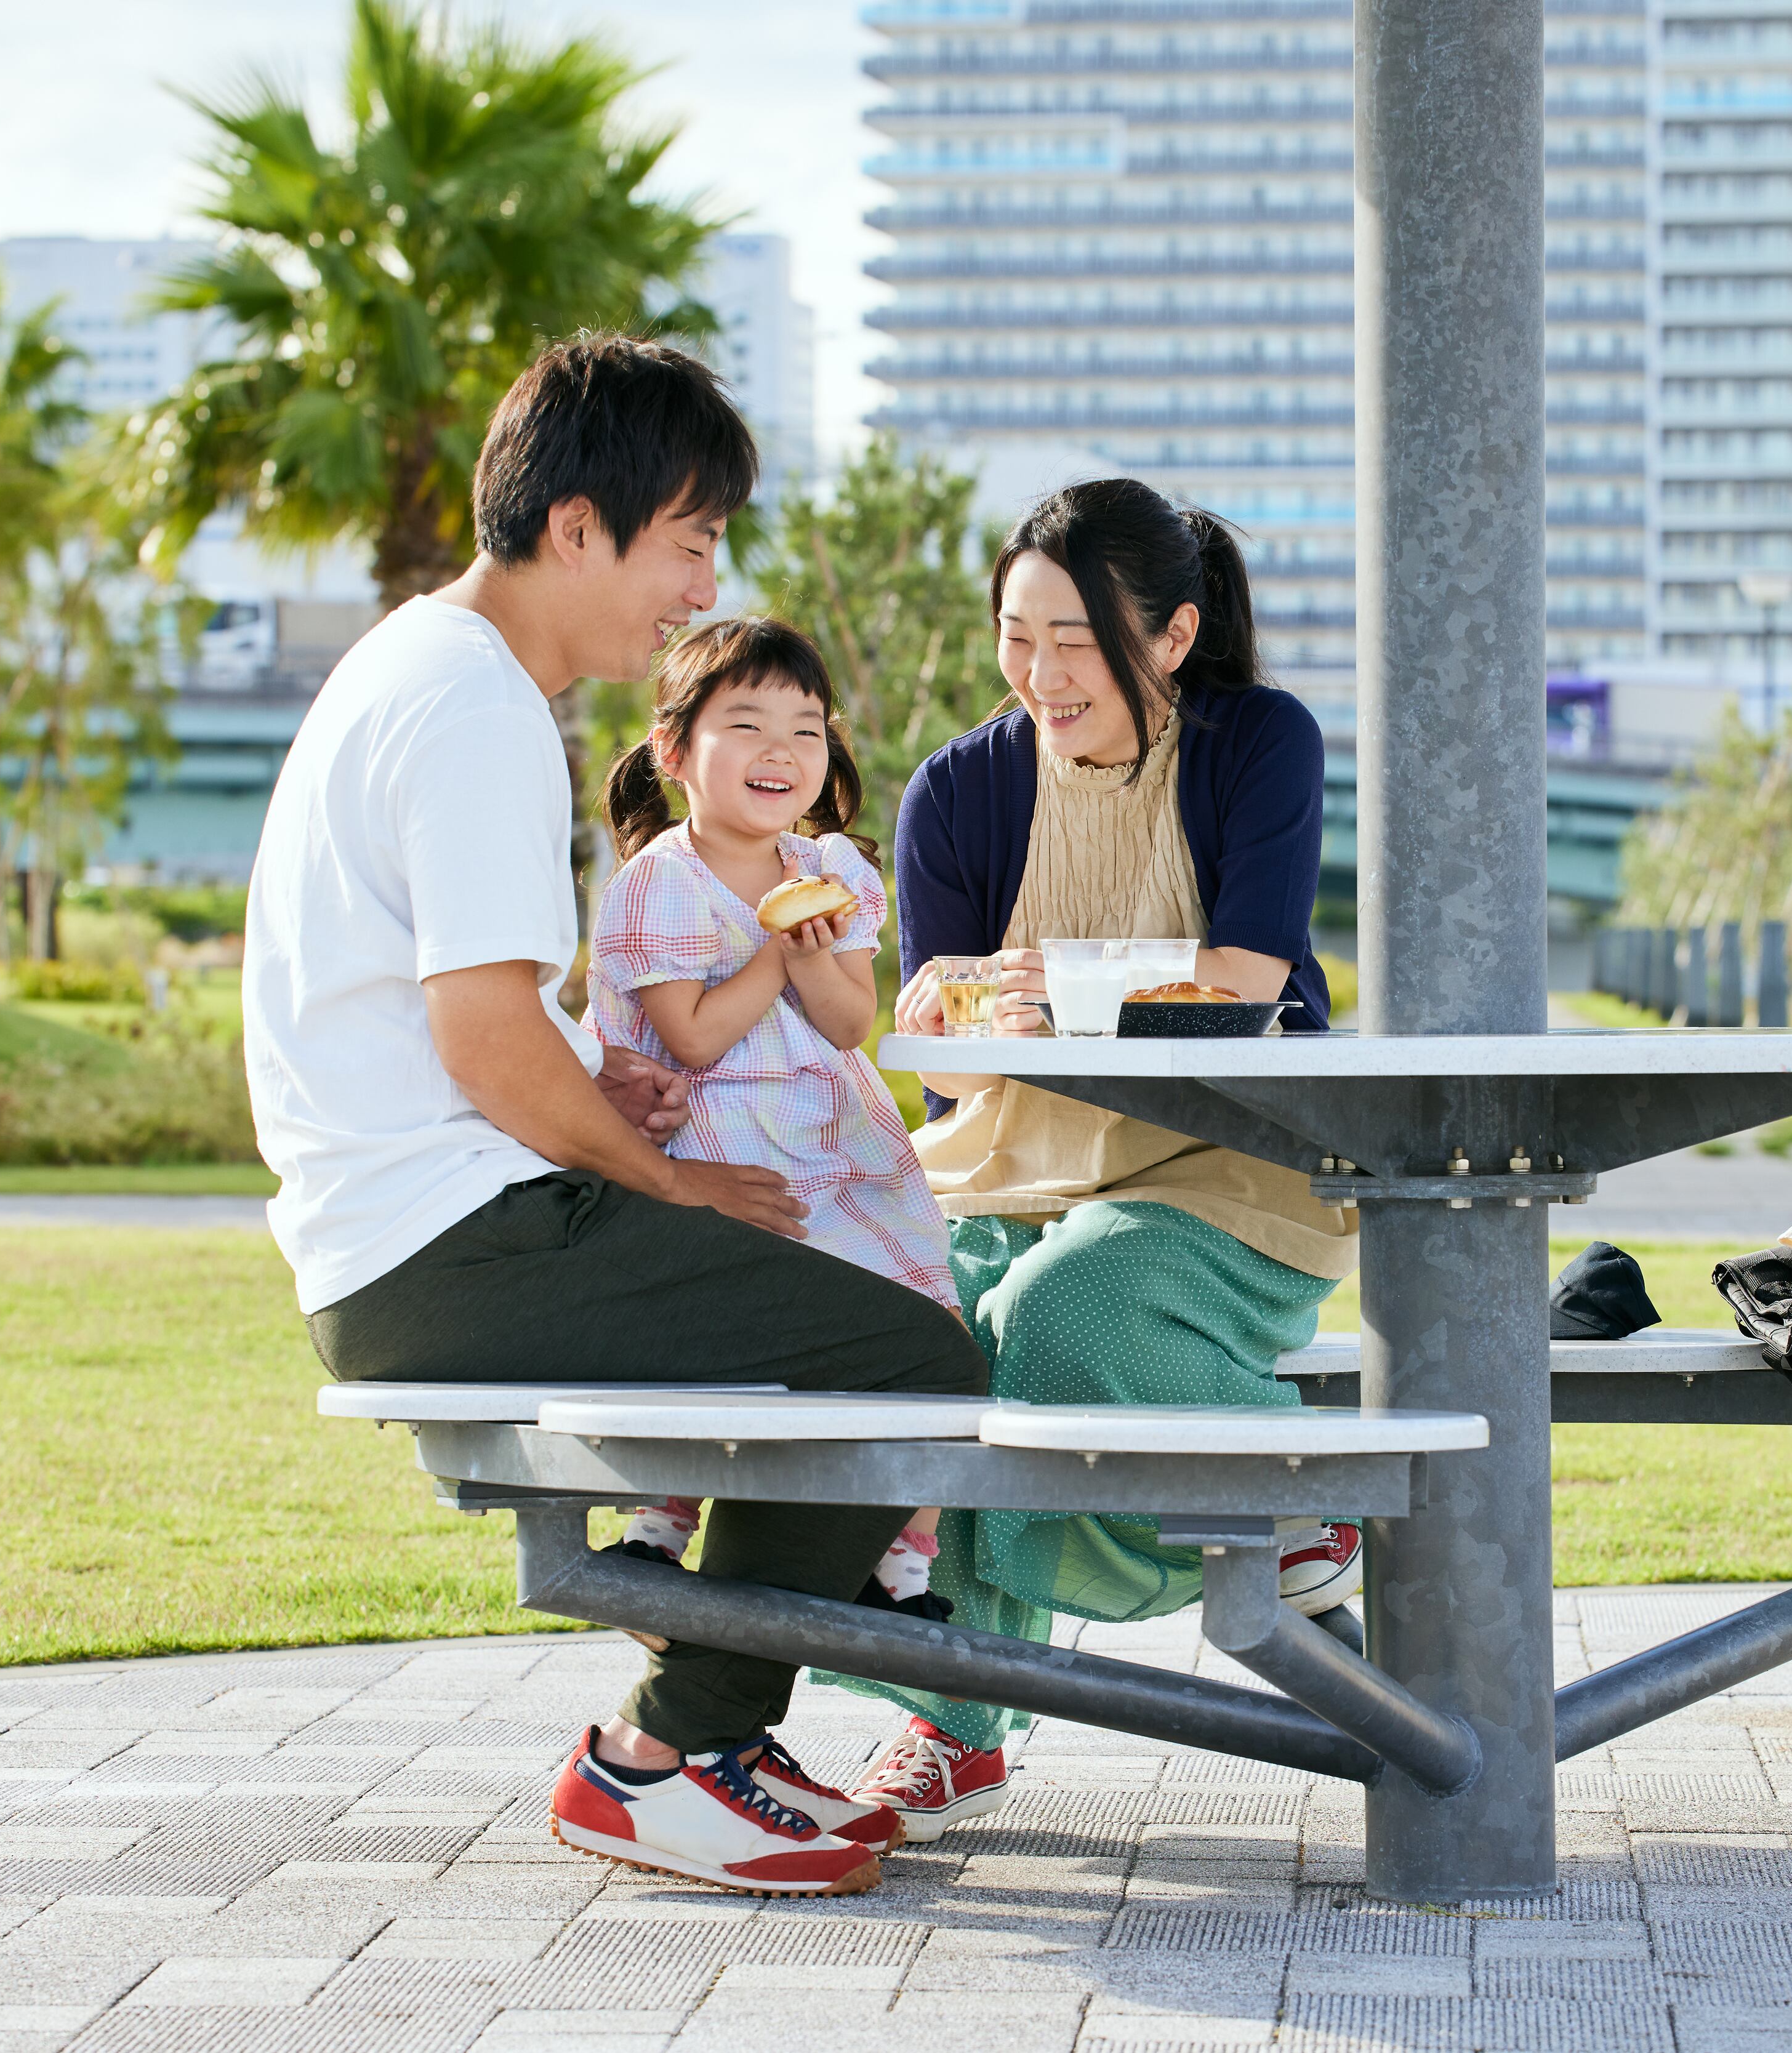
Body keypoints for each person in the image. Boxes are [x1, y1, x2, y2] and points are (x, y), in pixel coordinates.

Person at [241, 334, 987, 1898]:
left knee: (856, 1339)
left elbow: (486, 1030)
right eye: (690, 543)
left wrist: (602, 1079)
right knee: (909, 1352)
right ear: (578, 525)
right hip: (446, 1243)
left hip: (409, 1228)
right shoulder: (477, 707)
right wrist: (672, 1180)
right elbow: (482, 1031)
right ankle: (667, 1757)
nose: (700, 591)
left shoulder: (416, 664)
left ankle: (720, 1729)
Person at [826, 476, 1361, 1841]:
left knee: (1062, 1314)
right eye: (1018, 635)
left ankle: (1315, 1491)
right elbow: (943, 1062)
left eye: (1076, 639)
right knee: (910, 1333)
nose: (1041, 673)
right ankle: (955, 1717)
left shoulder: (1261, 743)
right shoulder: (961, 786)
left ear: (1172, 637)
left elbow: (1247, 978)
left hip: (1225, 1172)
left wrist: (1048, 984)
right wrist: (939, 1015)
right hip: (1007, 1162)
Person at [586, 616, 957, 1613]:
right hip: (717, 1142)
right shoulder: (658, 883)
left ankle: (900, 1563)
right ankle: (659, 1525)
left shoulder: (831, 871)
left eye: (805, 728)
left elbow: (846, 1025)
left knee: (925, 1314)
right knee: (728, 1343)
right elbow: (697, 1040)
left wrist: (813, 945)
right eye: (747, 725)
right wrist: (775, 946)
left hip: (833, 1137)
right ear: (675, 752)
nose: (782, 752)